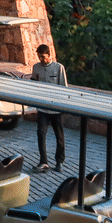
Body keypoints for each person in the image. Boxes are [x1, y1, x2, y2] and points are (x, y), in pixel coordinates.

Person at [31, 43, 68, 172]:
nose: (41, 59)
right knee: (41, 134)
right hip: (42, 107)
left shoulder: (58, 68)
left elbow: (64, 88)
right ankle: (43, 161)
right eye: (39, 56)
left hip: (56, 108)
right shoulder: (36, 68)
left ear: (49, 55)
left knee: (59, 136)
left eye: (43, 57)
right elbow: (34, 85)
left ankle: (59, 161)